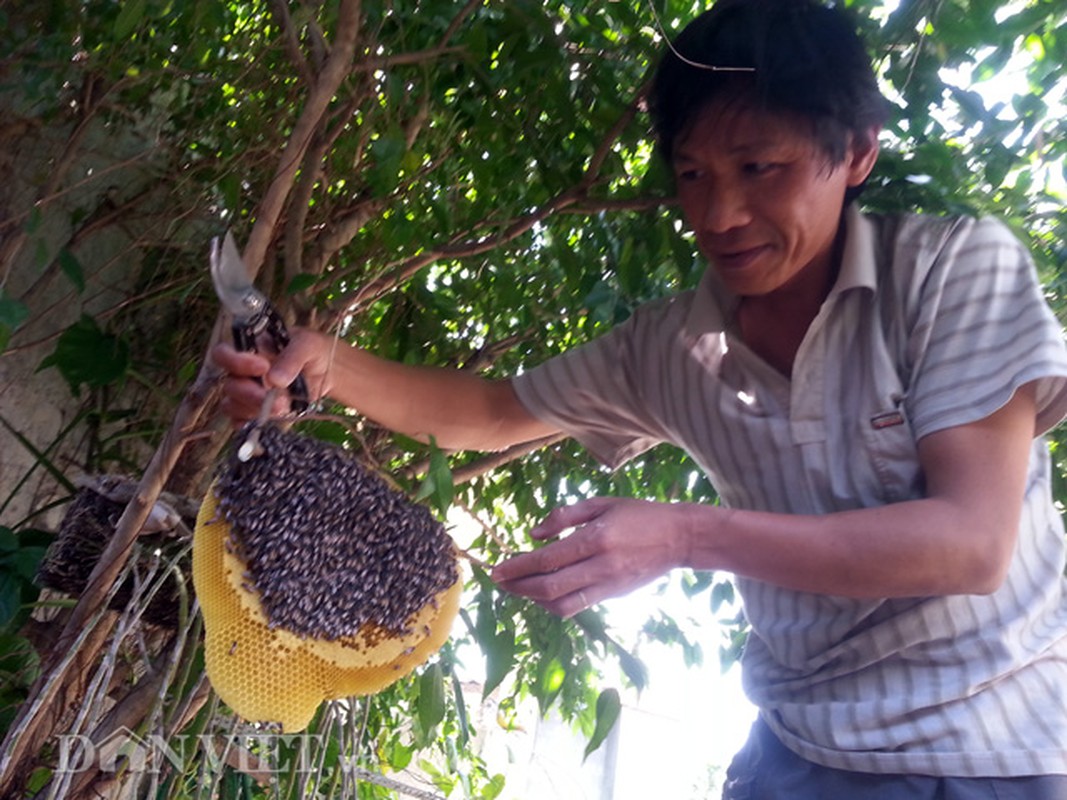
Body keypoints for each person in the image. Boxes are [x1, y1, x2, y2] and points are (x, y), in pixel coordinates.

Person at [213, 0, 1067, 796]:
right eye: (691, 173)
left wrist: (683, 536)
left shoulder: (954, 271)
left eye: (758, 167)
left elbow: (969, 544)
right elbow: (489, 413)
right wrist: (320, 363)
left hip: (996, 754)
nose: (718, 212)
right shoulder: (672, 345)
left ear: (856, 153)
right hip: (798, 752)